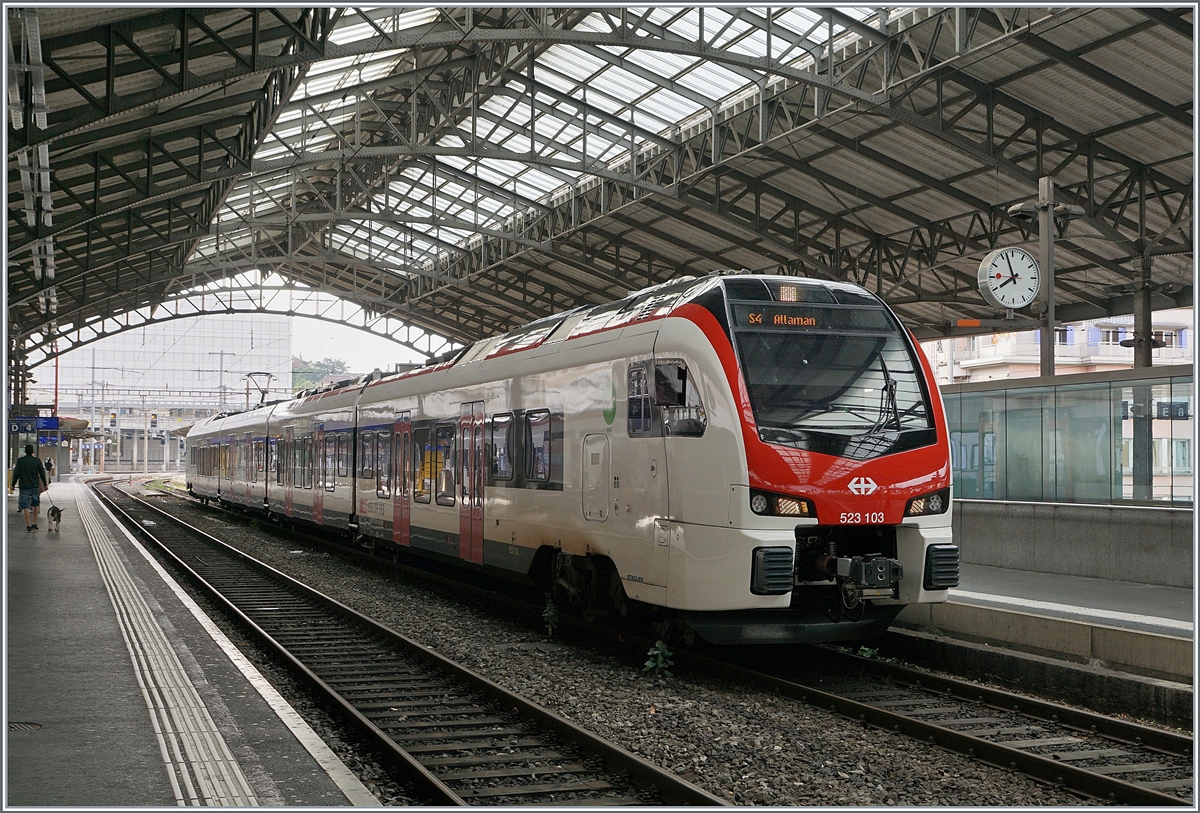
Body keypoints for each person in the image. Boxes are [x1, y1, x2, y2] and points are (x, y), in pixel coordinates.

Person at [10, 445, 49, 532]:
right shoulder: (37, 460)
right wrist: (45, 484)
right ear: (32, 452)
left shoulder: (20, 461)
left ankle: (28, 525)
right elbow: (42, 473)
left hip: (24, 486)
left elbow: (16, 474)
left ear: (25, 451)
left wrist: (12, 484)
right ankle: (34, 523)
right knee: (35, 504)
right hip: (34, 485)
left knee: (25, 506)